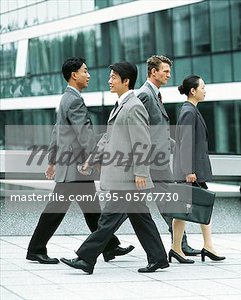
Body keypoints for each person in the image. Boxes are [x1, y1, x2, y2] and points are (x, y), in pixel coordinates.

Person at [61, 62, 168, 274]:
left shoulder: (134, 106)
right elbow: (107, 140)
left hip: (127, 176)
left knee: (107, 220)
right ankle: (158, 258)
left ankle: (85, 258)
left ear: (126, 81)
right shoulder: (121, 105)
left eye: (113, 77)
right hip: (123, 176)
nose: (109, 81)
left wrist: (140, 173)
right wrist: (91, 161)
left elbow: (142, 143)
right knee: (141, 219)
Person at [26, 57, 133, 265]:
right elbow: (84, 134)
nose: (89, 75)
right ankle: (36, 249)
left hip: (72, 168)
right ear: (74, 75)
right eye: (85, 71)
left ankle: (109, 246)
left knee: (92, 211)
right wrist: (95, 159)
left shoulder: (66, 98)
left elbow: (58, 132)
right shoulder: (74, 100)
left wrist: (52, 160)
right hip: (75, 169)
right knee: (55, 211)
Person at [135, 55, 200, 256]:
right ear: (153, 72)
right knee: (167, 201)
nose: (169, 75)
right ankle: (180, 245)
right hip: (153, 162)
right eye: (165, 71)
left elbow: (157, 131)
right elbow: (139, 130)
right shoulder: (145, 95)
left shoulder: (155, 94)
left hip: (157, 160)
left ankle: (179, 245)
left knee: (164, 202)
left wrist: (175, 146)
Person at [170, 75, 225, 264]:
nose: (205, 89)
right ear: (193, 91)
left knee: (186, 209)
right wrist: (188, 170)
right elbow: (185, 143)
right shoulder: (188, 111)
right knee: (192, 207)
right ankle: (187, 247)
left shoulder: (192, 110)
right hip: (191, 171)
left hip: (192, 170)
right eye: (202, 86)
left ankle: (181, 248)